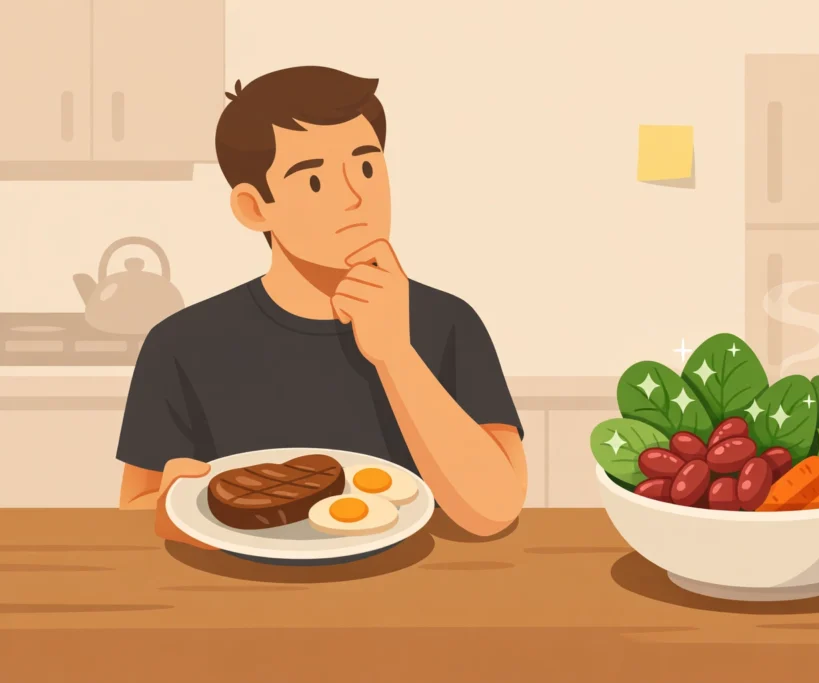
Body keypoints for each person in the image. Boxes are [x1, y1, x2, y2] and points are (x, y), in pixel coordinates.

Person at [116, 66, 527, 544]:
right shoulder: (181, 343)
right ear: (254, 207)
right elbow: (135, 506)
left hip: (415, 580)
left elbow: (496, 510)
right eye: (314, 180)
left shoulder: (450, 322)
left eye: (367, 168)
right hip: (241, 582)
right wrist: (175, 509)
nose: (356, 197)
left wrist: (395, 355)